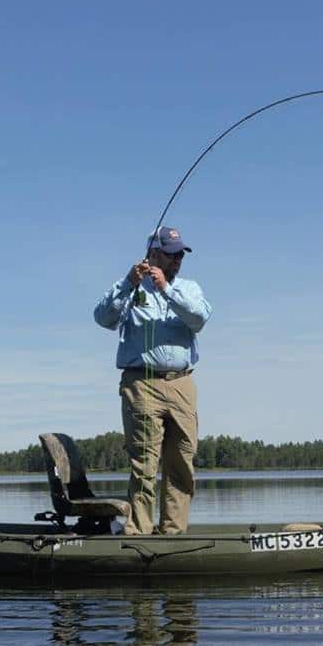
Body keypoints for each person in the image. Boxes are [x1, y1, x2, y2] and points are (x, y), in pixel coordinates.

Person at [93, 226, 212, 535]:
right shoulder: (132, 288)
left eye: (180, 255)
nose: (177, 261)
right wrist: (128, 283)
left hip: (182, 383)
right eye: (171, 255)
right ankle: (140, 533)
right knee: (144, 463)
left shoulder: (188, 288)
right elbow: (103, 318)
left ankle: (173, 531)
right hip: (141, 383)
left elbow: (198, 318)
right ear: (154, 255)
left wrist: (166, 291)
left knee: (182, 460)